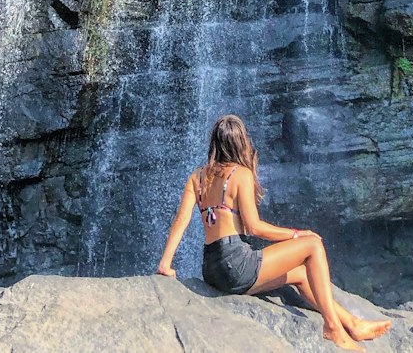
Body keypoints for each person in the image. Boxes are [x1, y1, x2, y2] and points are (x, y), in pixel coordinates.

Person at [156, 113, 391, 349]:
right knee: (313, 246)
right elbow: (254, 227)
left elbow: (181, 220)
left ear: (215, 142)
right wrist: (297, 234)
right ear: (240, 142)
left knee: (300, 273)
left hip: (212, 270)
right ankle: (332, 327)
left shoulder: (197, 177)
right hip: (236, 264)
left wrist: (165, 263)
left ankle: (352, 323)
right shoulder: (240, 174)